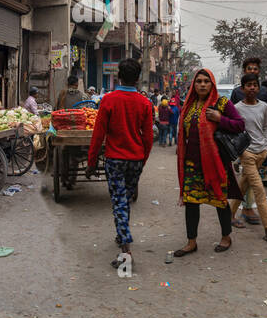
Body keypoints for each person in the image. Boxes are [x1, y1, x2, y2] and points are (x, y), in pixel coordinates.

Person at [84, 58, 157, 265]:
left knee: (119, 202)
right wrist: (143, 159)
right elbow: (148, 137)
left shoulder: (108, 100)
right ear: (138, 79)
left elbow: (99, 135)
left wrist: (91, 162)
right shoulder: (144, 103)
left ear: (119, 77)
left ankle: (126, 251)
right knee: (124, 200)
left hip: (115, 159)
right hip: (135, 160)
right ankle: (121, 234)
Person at [170, 68, 246, 256]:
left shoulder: (221, 103)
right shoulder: (188, 105)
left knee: (220, 202)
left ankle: (226, 237)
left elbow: (240, 124)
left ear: (212, 84)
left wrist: (220, 119)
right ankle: (191, 242)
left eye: (206, 81)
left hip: (215, 164)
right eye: (199, 81)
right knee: (191, 202)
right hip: (192, 164)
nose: (202, 84)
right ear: (193, 85)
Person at [228, 71, 267, 244]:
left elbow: (266, 126)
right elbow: (233, 131)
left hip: (262, 152)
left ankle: (229, 215)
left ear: (258, 88)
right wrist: (239, 151)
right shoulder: (236, 108)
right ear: (242, 88)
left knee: (243, 185)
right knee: (259, 189)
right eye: (248, 85)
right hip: (247, 153)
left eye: (255, 85)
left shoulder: (264, 106)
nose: (252, 88)